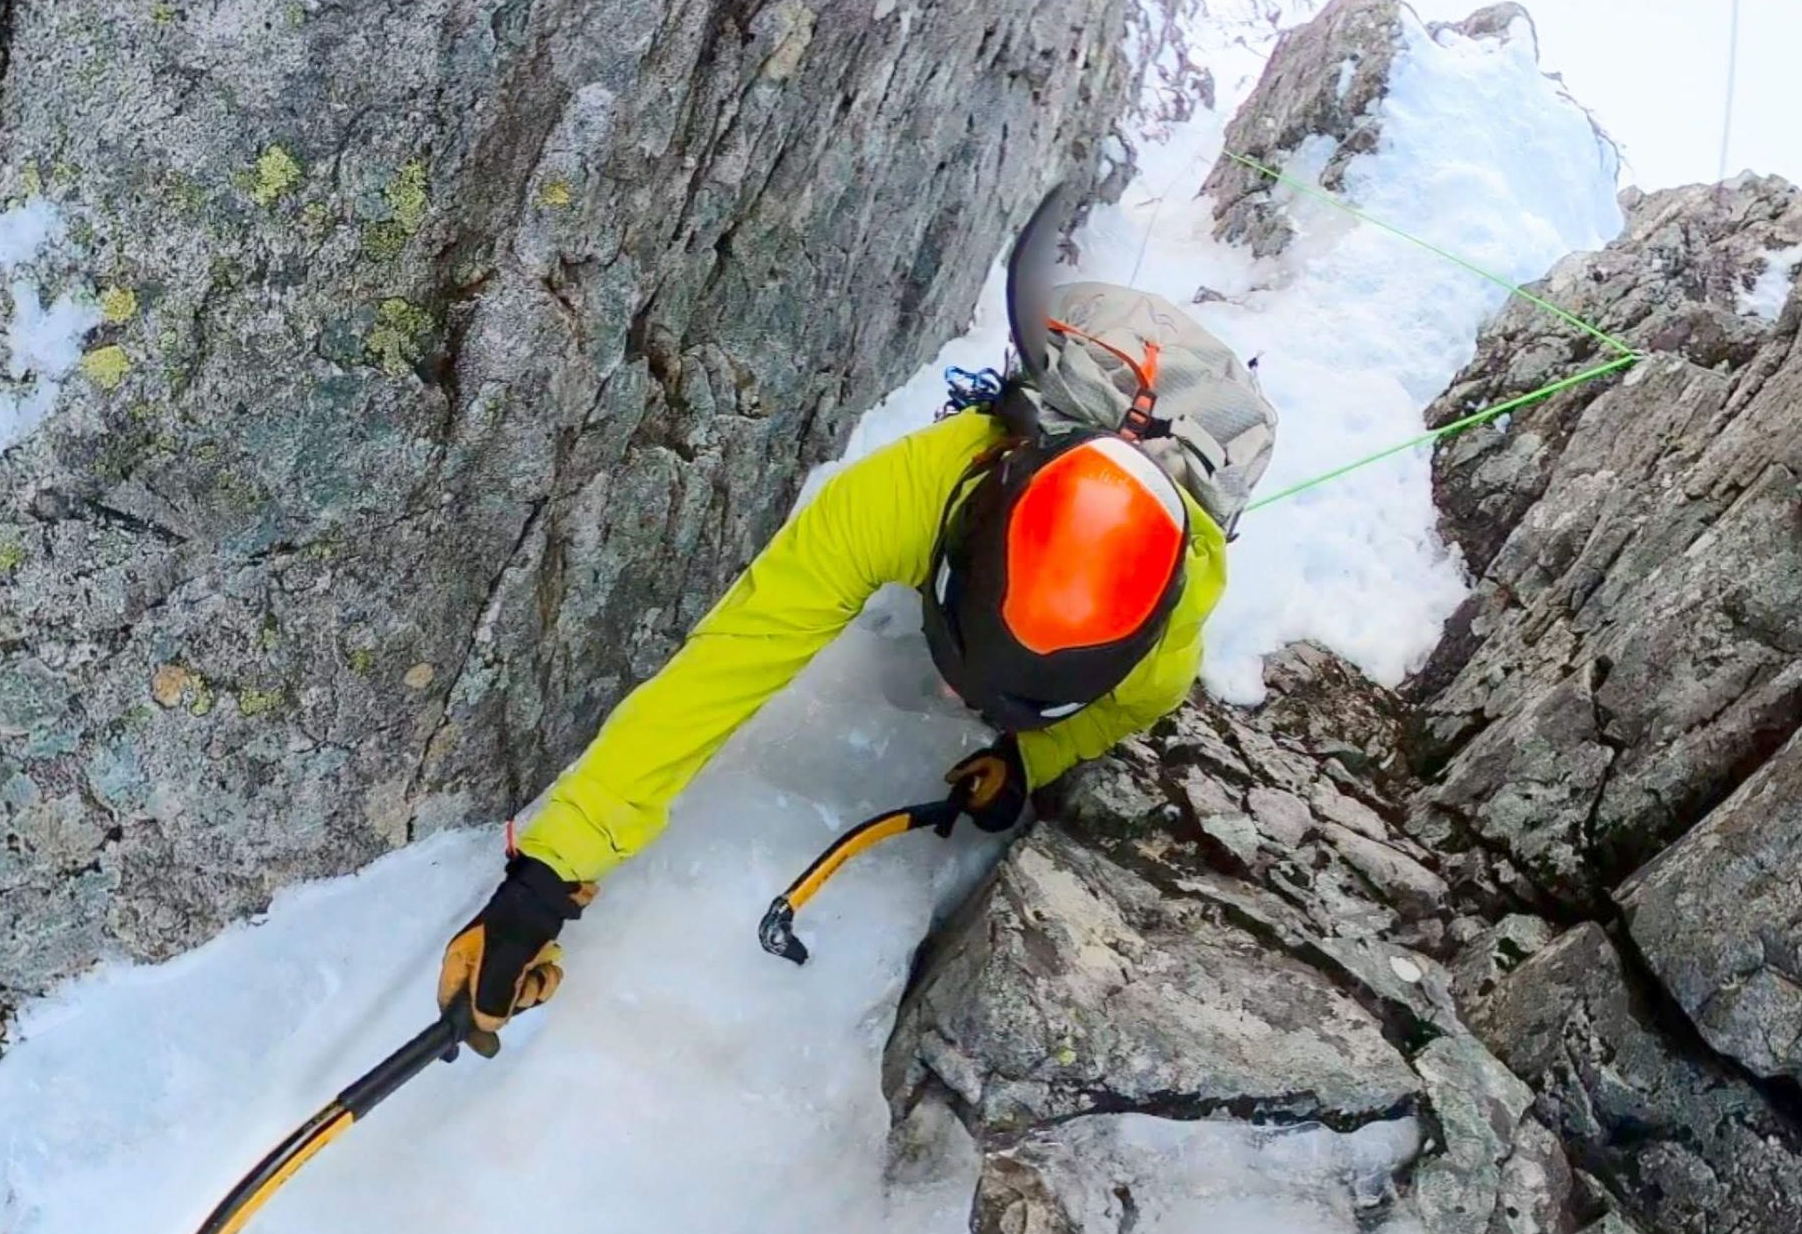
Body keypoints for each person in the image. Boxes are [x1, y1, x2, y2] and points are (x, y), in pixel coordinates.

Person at [437, 357, 1233, 1053]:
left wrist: (1031, 757)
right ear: (951, 555)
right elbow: (725, 667)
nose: (954, 698)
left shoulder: (1162, 655)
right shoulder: (903, 497)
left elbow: (1119, 711)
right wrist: (547, 875)